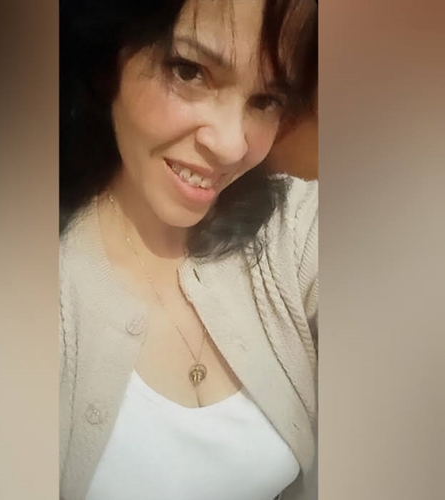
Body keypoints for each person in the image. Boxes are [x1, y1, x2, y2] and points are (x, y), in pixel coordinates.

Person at [59, 1, 318, 499]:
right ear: (109, 57)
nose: (231, 146)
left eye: (266, 100)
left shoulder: (286, 231)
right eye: (189, 71)